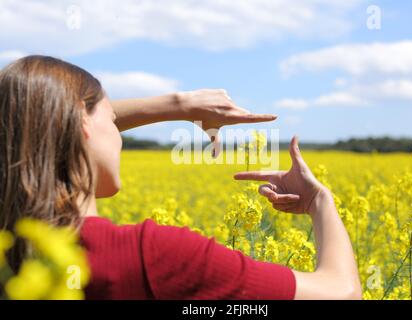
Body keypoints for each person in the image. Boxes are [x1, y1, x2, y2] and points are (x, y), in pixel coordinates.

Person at [0, 55, 361, 300]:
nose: (119, 134)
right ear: (80, 120)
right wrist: (319, 202)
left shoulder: (10, 250)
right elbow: (341, 293)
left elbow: (31, 126)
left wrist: (177, 104)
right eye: (112, 120)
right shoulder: (154, 256)